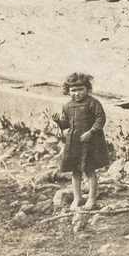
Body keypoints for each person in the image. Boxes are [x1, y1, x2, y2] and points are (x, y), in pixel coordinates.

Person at [51, 72, 109, 222]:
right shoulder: (67, 106)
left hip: (90, 142)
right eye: (73, 90)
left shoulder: (92, 103)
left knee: (90, 170)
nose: (77, 93)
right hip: (74, 142)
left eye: (80, 89)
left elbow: (100, 119)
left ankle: (91, 199)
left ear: (87, 89)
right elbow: (66, 124)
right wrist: (58, 122)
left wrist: (91, 132)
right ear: (68, 91)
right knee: (75, 171)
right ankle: (77, 198)